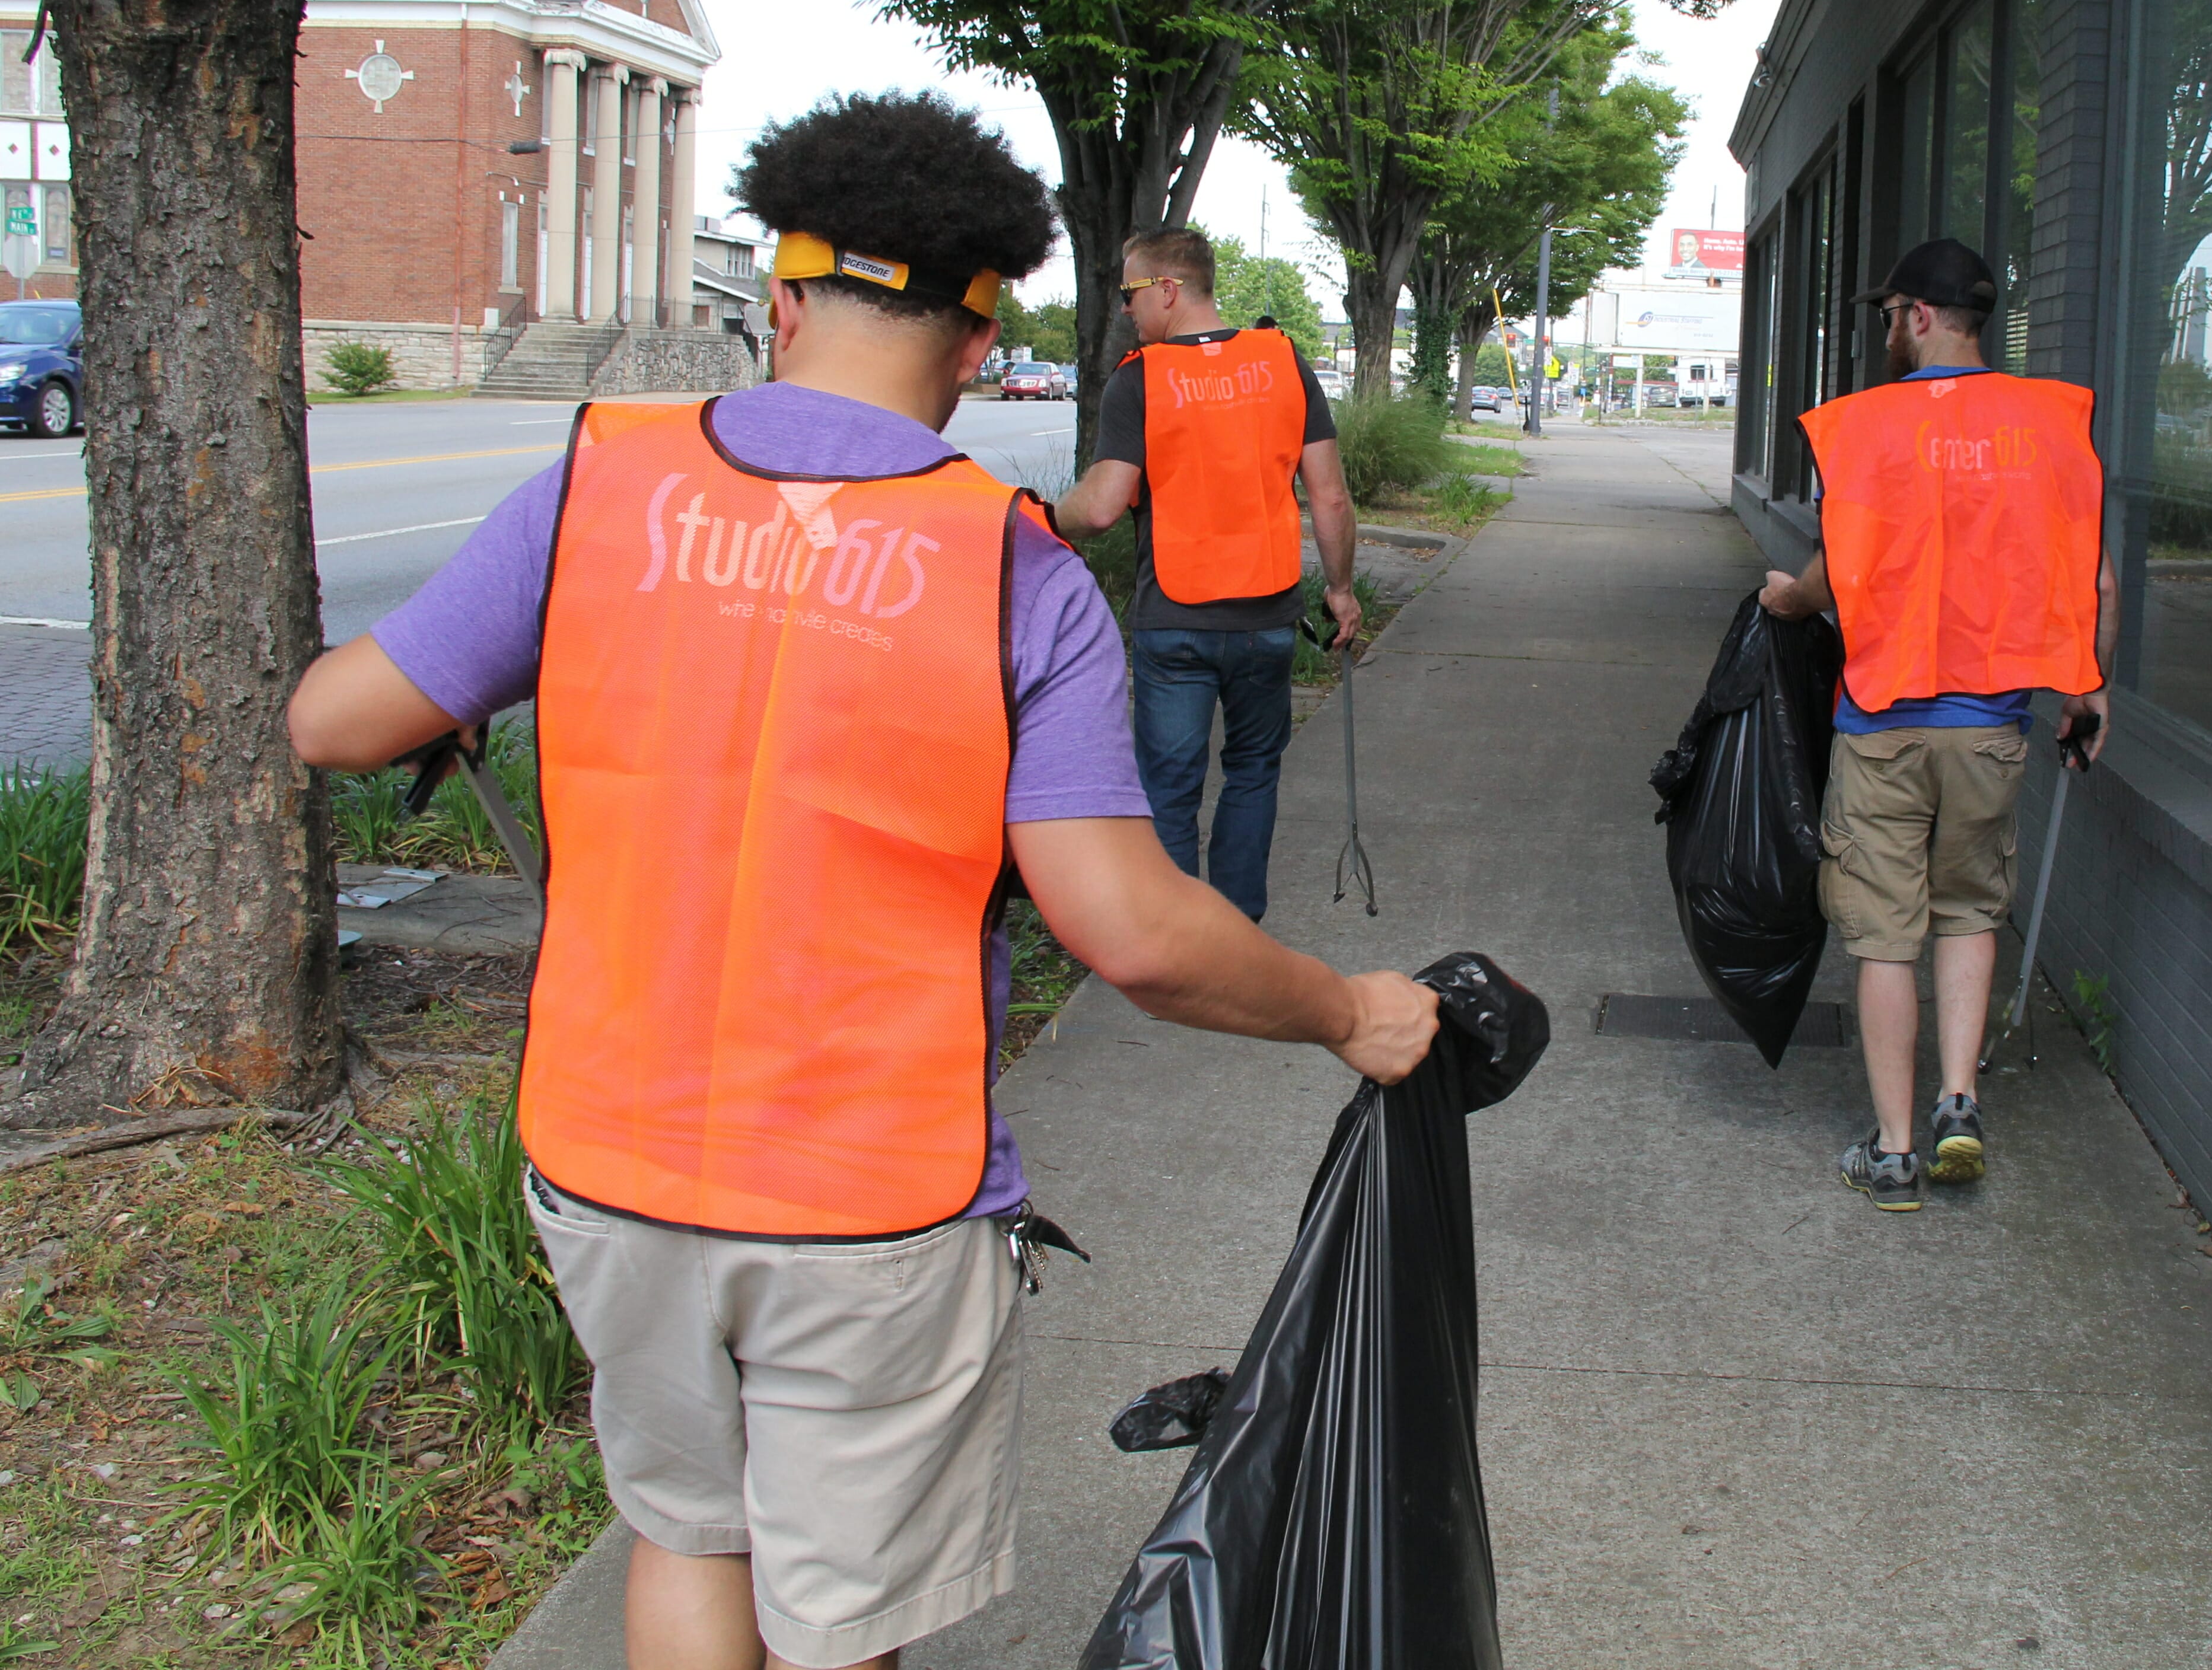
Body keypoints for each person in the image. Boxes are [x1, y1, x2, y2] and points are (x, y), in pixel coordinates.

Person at [285, 94, 1437, 1670]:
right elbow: (1130, 932)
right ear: (977, 342)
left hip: (611, 1153)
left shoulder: (602, 482)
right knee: (843, 1625)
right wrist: (1347, 1010)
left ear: (781, 297)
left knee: (690, 1537)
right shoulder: (1010, 566)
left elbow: (335, 722)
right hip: (870, 1197)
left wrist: (499, 669)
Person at [1758, 239, 2116, 1212]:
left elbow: (1834, 571)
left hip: (1881, 723)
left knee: (1883, 934)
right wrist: (2087, 693)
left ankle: (1893, 1148)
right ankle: (1958, 1101)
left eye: (1888, 315)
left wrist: (1791, 603)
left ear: (1917, 316)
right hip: (1992, 724)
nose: (1886, 331)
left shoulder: (1867, 428)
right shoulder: (2046, 427)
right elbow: (2090, 579)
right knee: (1965, 910)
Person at [1051, 230, 1358, 922]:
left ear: (1166, 288)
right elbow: (1330, 497)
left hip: (1176, 622)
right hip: (1268, 618)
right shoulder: (1283, 362)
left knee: (1169, 786)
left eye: (1130, 292)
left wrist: (1040, 516)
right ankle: (1237, 923)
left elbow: (1100, 508)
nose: (1125, 308)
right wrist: (1340, 592)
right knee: (1253, 771)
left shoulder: (1141, 377)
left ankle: (1178, 935)